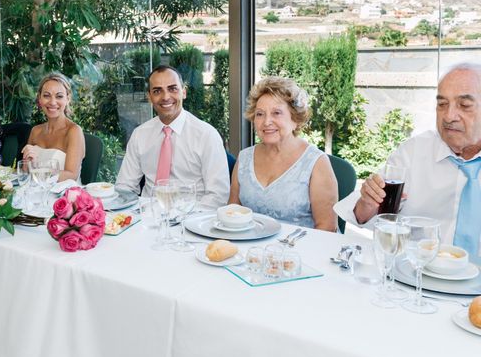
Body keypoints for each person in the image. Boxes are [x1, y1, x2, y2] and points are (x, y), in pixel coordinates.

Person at [334, 63, 481, 262]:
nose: (449, 116)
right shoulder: (413, 152)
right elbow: (363, 215)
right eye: (442, 104)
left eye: (464, 106)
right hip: (418, 275)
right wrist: (368, 202)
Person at [229, 76, 338, 231]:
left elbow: (326, 228)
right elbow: (232, 214)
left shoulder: (317, 163)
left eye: (276, 113)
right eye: (260, 114)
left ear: (295, 119)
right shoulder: (244, 157)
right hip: (251, 251)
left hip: (301, 250)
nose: (266, 122)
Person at [116, 65, 230, 209]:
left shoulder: (206, 135)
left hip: (192, 220)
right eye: (157, 91)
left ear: (184, 92)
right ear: (149, 97)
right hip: (148, 218)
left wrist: (183, 219)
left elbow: (218, 196)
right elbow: (124, 187)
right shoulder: (140, 135)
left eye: (172, 89)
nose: (165, 97)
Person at [21, 73, 85, 182]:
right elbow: (25, 173)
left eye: (59, 96)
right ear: (39, 99)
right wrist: (26, 164)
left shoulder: (74, 131)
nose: (52, 102)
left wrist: (38, 171)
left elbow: (71, 175)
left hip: (63, 196)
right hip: (35, 194)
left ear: (68, 98)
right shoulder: (35, 131)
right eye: (46, 95)